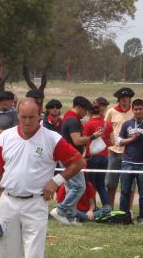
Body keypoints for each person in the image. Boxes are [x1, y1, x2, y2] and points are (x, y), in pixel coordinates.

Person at [0, 98, 85, 258]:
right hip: (9, 202)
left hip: (35, 204)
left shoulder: (52, 138)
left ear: (39, 115)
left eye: (32, 117)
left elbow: (78, 162)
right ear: (17, 115)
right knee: (6, 254)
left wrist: (56, 182)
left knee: (34, 255)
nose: (27, 122)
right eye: (23, 117)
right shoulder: (5, 137)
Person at [50, 96, 102, 225]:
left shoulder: (69, 118)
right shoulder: (73, 120)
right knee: (79, 186)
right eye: (85, 111)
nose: (86, 114)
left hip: (67, 157)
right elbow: (77, 140)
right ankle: (60, 210)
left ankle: (70, 217)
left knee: (71, 186)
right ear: (79, 107)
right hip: (71, 158)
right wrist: (93, 136)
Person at [118, 99, 143, 226]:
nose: (138, 111)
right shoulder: (126, 124)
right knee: (124, 191)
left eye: (140, 109)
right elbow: (119, 142)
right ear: (132, 110)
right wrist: (131, 138)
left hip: (142, 164)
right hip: (127, 162)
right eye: (135, 109)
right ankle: (124, 218)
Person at [105, 87, 135, 207]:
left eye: (126, 98)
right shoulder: (111, 112)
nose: (124, 100)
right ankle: (110, 207)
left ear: (130, 99)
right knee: (111, 183)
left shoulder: (134, 112)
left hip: (130, 153)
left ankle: (128, 209)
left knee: (130, 184)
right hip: (113, 152)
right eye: (122, 98)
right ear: (118, 99)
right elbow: (105, 129)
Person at [83, 97, 114, 212]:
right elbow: (113, 142)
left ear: (90, 112)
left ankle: (93, 207)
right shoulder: (107, 124)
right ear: (100, 111)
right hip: (104, 157)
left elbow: (85, 140)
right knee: (101, 184)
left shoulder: (88, 124)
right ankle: (107, 206)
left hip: (92, 157)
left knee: (92, 184)